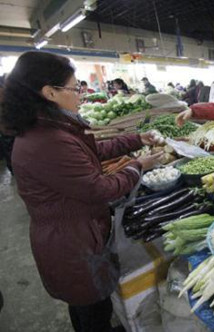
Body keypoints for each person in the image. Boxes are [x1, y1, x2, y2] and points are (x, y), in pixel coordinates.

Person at [0, 51, 164, 332]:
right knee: (92, 310)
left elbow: (92, 152)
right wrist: (138, 165)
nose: (81, 94)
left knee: (85, 307)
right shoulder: (48, 140)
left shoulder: (49, 127)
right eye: (74, 88)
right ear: (49, 92)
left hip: (71, 233)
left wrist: (135, 138)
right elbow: (100, 189)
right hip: (72, 244)